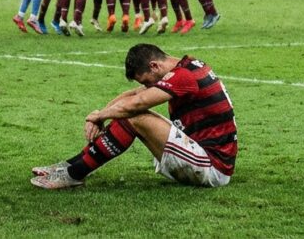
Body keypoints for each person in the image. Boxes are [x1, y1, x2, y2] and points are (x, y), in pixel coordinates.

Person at [30, 43, 236, 189]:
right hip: (201, 153)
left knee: (134, 116)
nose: (146, 87)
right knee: (127, 111)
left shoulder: (184, 76)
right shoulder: (184, 66)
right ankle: (69, 166)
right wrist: (101, 116)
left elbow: (137, 103)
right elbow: (133, 95)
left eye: (147, 81)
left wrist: (100, 115)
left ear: (155, 65)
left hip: (212, 168)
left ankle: (74, 175)